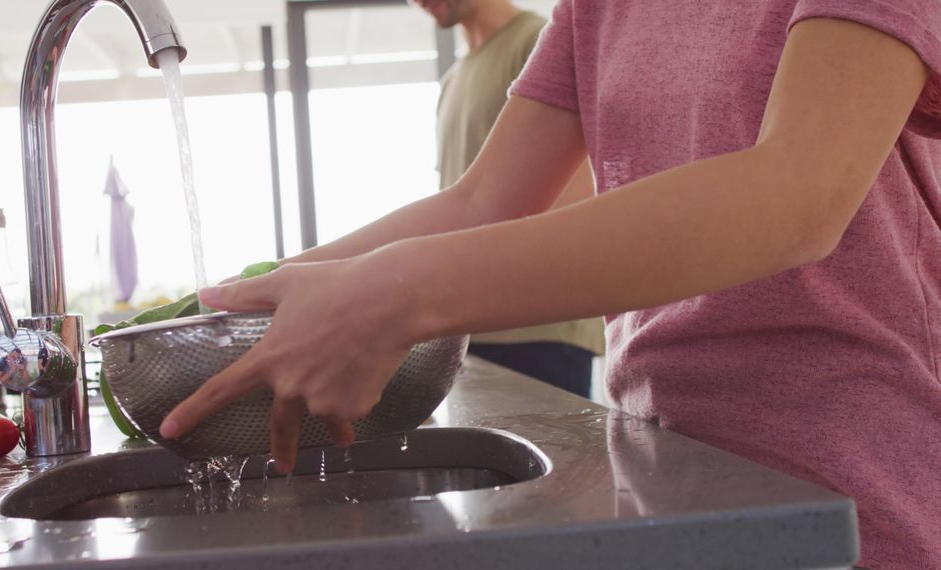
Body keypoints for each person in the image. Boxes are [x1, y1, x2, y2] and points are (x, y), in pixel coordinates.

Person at [163, 1, 941, 567]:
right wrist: (255, 298)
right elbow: (481, 200)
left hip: (855, 492)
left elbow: (797, 194)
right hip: (660, 469)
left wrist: (397, 290)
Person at [417, 0, 605, 397]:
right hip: (469, 329)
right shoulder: (453, 80)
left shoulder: (537, 41)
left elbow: (568, 204)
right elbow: (461, 203)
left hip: (541, 327)